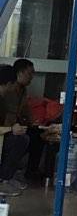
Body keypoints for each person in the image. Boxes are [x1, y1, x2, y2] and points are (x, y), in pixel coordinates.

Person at [0, 59, 35, 195]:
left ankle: (13, 175)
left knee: (32, 136)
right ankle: (4, 179)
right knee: (20, 140)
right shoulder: (5, 96)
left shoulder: (21, 92)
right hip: (5, 131)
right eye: (29, 73)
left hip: (7, 130)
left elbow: (25, 111)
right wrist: (11, 129)